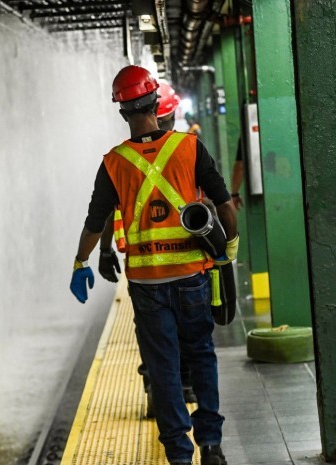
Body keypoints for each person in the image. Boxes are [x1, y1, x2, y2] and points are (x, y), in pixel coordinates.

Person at [69, 65, 237, 465]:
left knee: (163, 369)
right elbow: (226, 206)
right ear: (155, 103)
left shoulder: (113, 162)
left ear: (122, 110)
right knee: (201, 356)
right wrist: (227, 253)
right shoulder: (190, 148)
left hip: (146, 287)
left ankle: (179, 455)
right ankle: (211, 446)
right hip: (193, 280)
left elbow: (96, 222)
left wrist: (83, 260)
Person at [98, 80, 198, 414]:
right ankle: (184, 387)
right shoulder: (188, 149)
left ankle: (160, 392)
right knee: (188, 330)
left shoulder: (121, 159)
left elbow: (104, 209)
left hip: (145, 270)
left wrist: (103, 252)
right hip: (185, 264)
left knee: (154, 336)